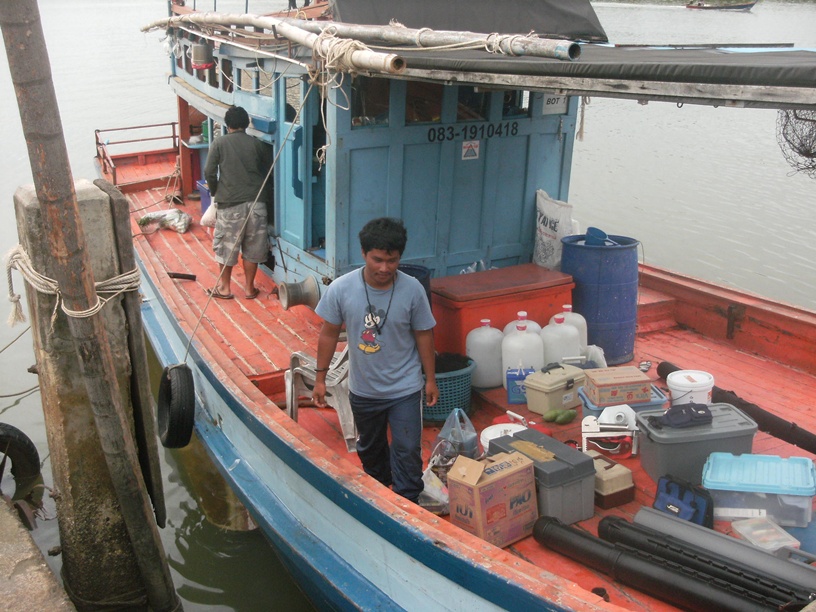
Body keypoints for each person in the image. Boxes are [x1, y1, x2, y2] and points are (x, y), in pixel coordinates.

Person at [312, 218, 439, 503]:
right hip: (364, 390)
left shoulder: (413, 289)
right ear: (363, 253)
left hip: (405, 389)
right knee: (370, 448)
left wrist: (430, 379)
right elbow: (328, 334)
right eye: (377, 259)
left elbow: (424, 335)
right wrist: (321, 379)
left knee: (407, 449)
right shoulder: (342, 289)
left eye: (392, 261)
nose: (384, 268)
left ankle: (408, 501)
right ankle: (381, 494)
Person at [203, 105, 271, 300]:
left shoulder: (219, 143)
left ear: (227, 124)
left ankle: (225, 288)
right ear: (246, 124)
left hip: (230, 203)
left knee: (226, 247)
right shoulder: (257, 144)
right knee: (253, 247)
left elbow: (209, 171)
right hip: (257, 203)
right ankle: (249, 288)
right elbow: (267, 171)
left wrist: (216, 192)